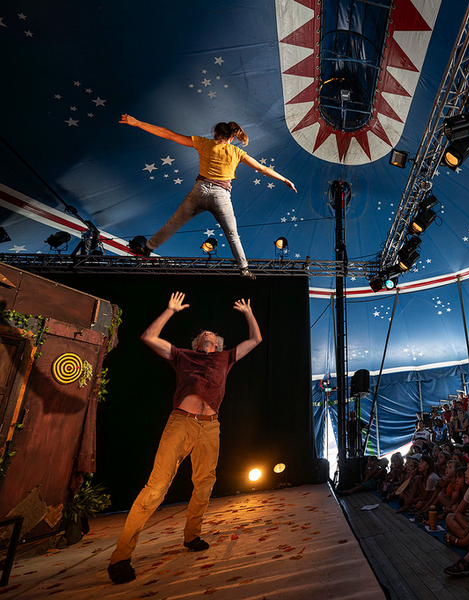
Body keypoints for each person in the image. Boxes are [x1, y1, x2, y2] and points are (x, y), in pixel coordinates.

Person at [108, 292, 262, 584]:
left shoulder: (225, 358)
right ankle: (120, 557)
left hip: (211, 427)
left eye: (211, 335)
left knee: (205, 483)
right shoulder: (182, 356)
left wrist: (248, 313)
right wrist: (170, 310)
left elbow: (255, 339)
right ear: (196, 344)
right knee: (157, 487)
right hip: (181, 423)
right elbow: (149, 337)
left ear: (217, 344)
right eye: (202, 334)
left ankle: (192, 536)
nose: (206, 334)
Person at [119, 115, 297, 279]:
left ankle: (148, 248)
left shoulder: (203, 143)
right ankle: (244, 269)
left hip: (198, 192)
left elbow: (170, 134)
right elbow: (262, 169)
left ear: (215, 134)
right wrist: (284, 179)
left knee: (173, 224)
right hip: (221, 197)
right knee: (232, 235)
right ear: (232, 138)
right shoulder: (237, 152)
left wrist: (138, 123)